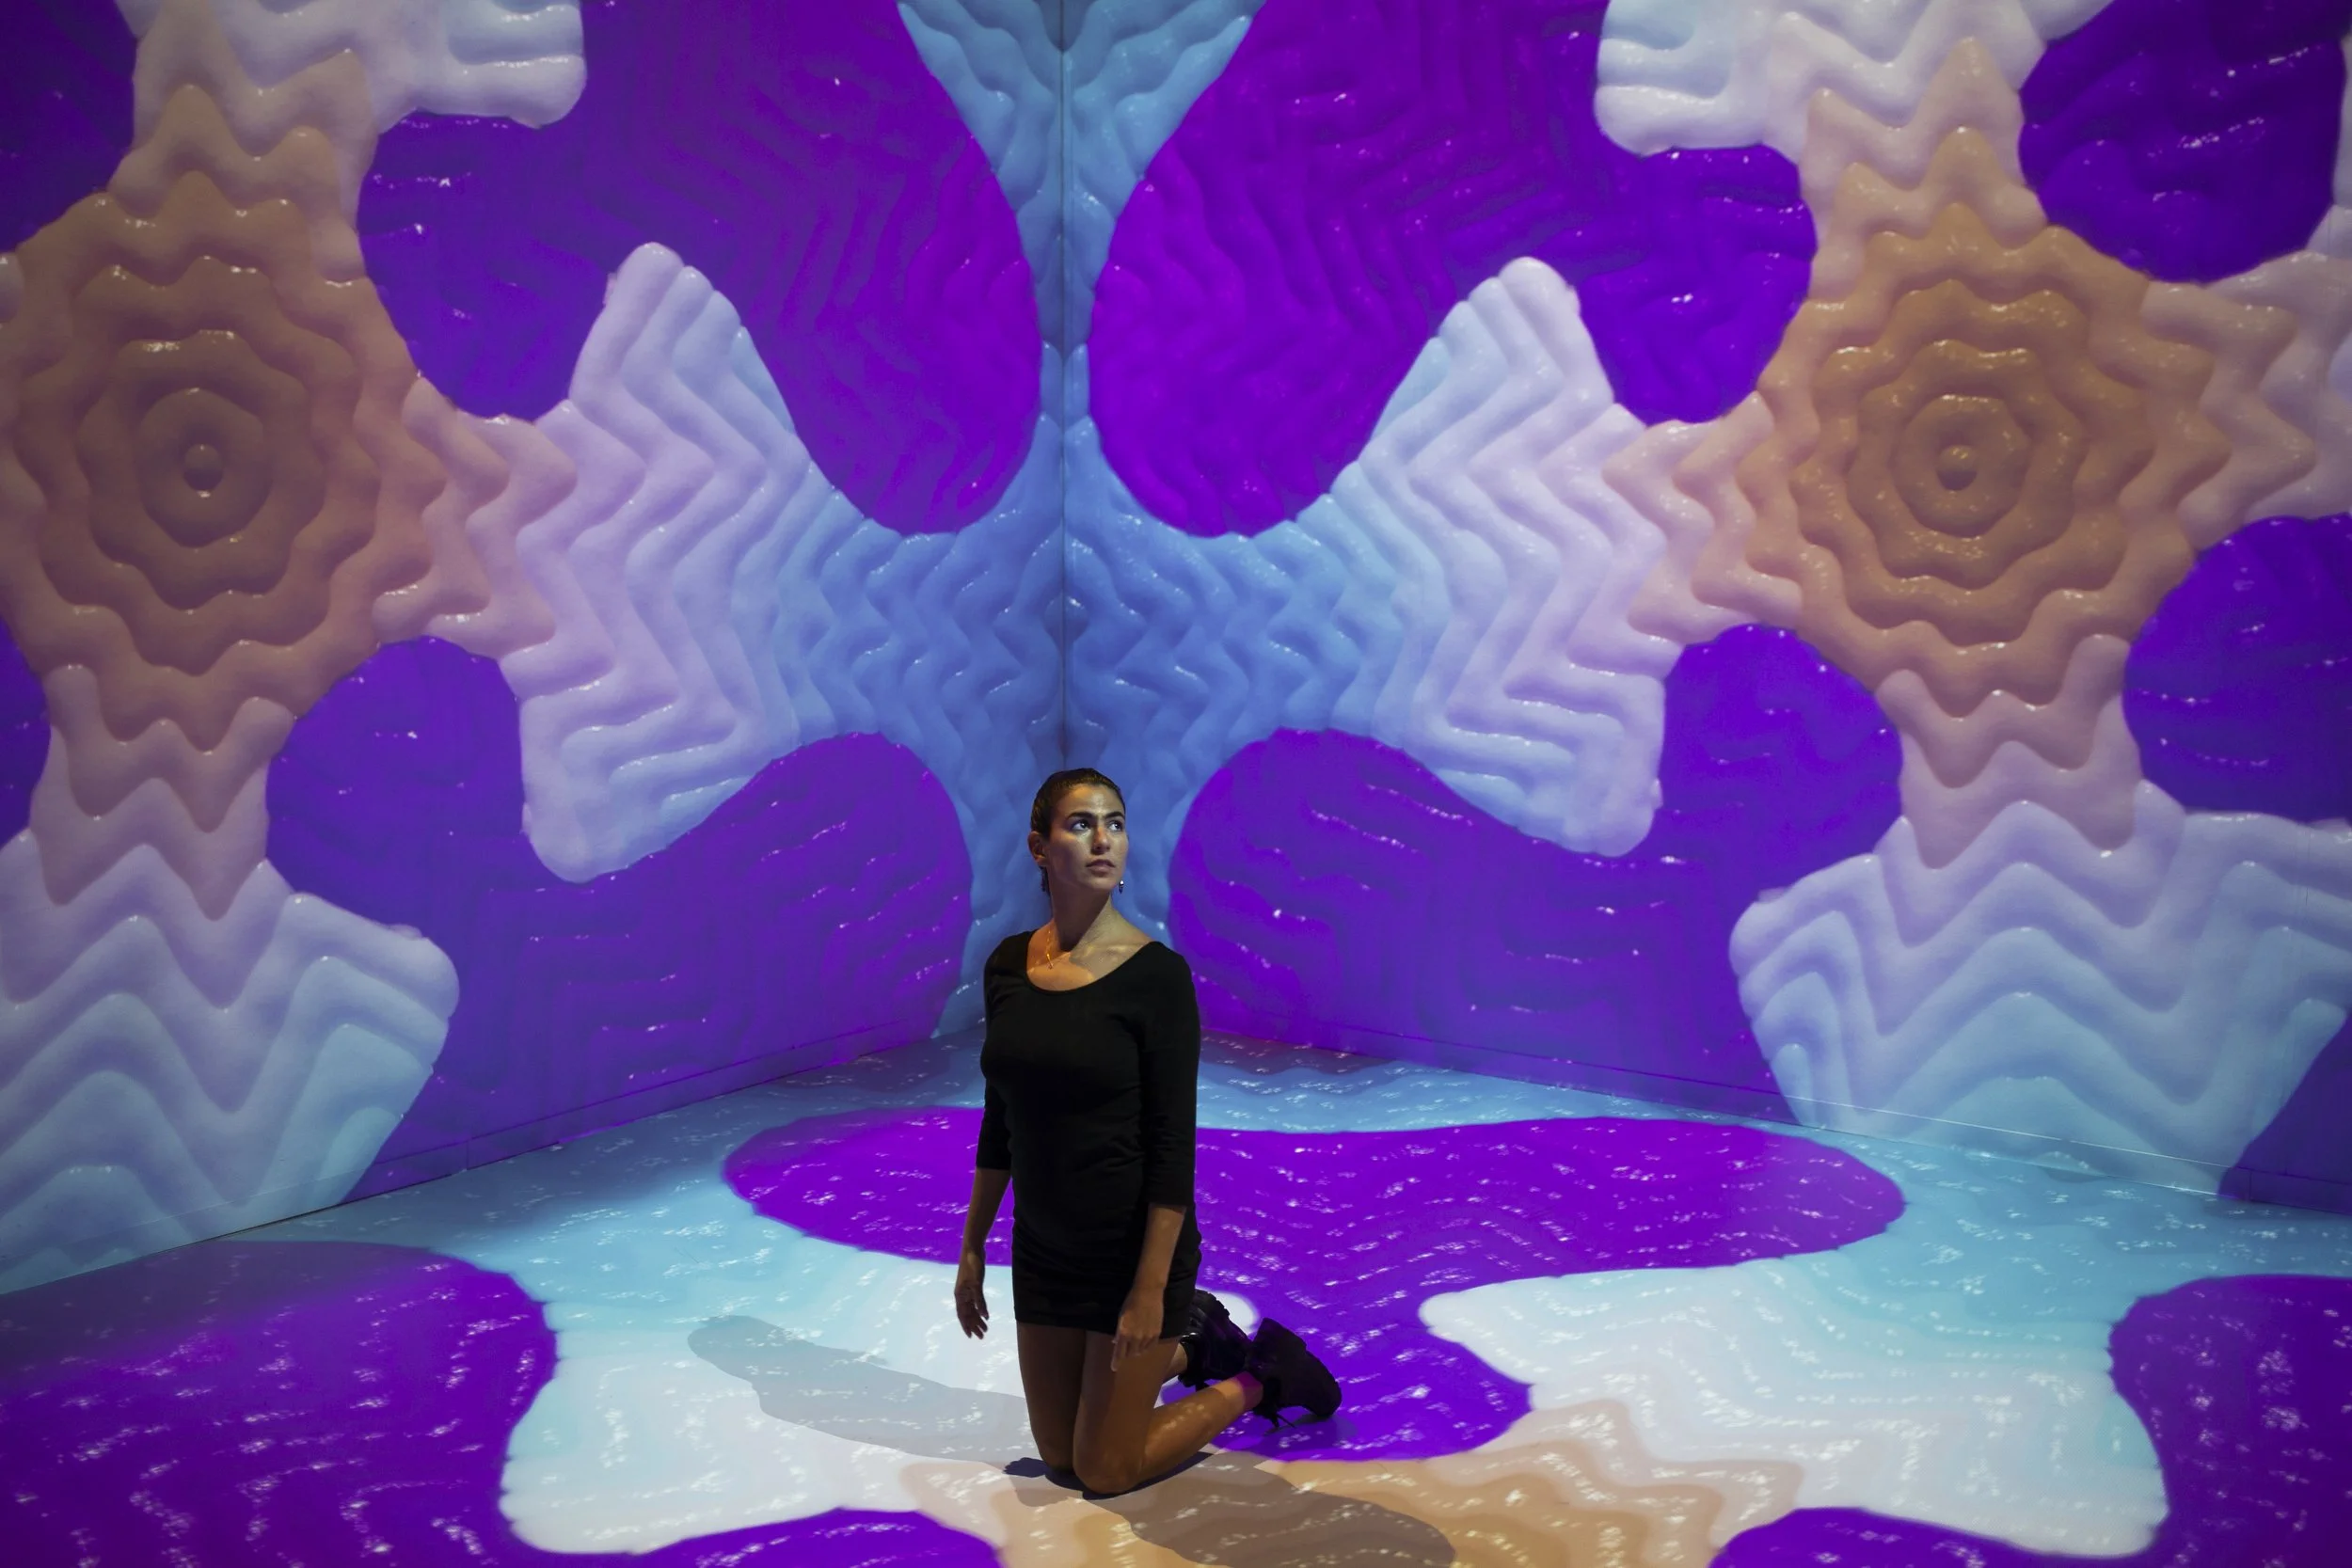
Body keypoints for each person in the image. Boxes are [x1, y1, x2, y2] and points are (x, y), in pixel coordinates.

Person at [953, 768, 1341, 1495]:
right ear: (1039, 847)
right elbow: (1003, 1114)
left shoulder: (1157, 978)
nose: (1103, 839)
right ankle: (1194, 1340)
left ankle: (1262, 1374)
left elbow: (1171, 1144)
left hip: (1128, 1253)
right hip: (1043, 1250)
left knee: (1104, 1467)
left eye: (1116, 823)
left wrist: (1149, 1289)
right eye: (1081, 824)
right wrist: (973, 1244)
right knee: (1059, 1455)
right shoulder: (1007, 965)